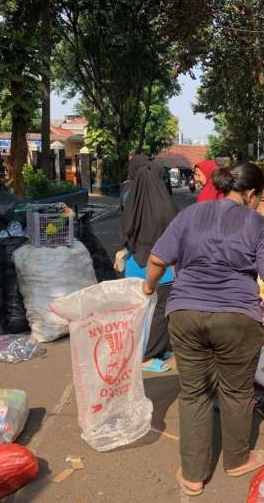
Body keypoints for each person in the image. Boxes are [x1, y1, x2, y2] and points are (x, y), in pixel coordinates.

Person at [143, 163, 264, 496]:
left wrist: (149, 287)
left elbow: (157, 260)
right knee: (235, 392)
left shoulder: (191, 215)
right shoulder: (258, 225)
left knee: (194, 393)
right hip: (237, 318)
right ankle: (236, 460)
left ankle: (192, 475)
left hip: (186, 314)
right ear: (251, 194)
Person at [119, 158, 178, 372]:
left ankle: (147, 349)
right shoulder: (165, 203)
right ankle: (147, 356)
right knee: (160, 313)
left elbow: (125, 230)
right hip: (162, 270)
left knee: (140, 314)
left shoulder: (130, 198)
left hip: (136, 265)